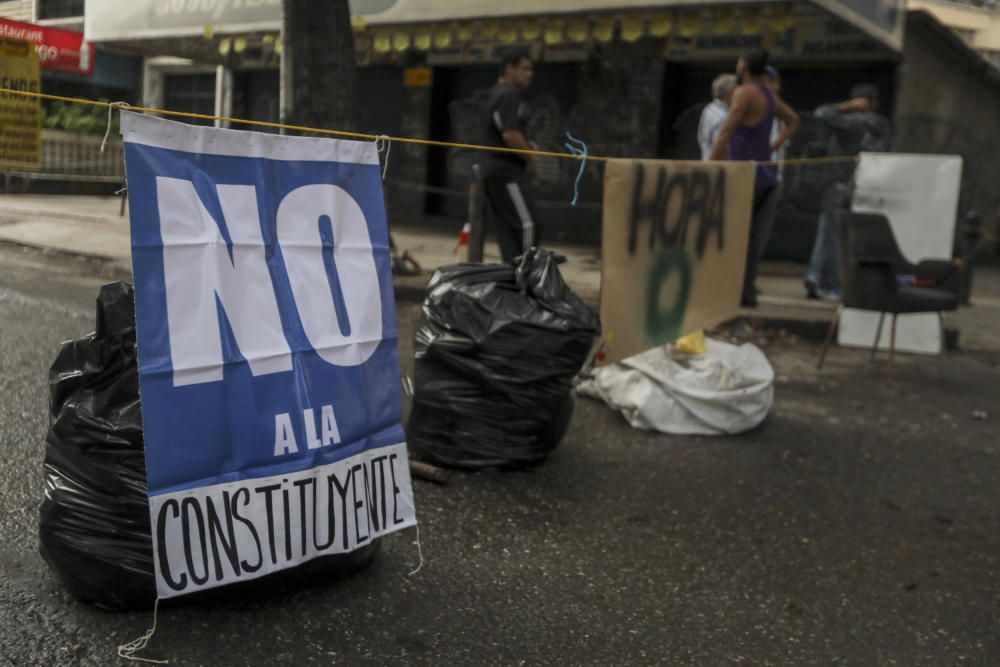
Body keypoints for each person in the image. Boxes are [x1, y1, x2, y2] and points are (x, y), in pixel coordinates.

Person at [710, 49, 800, 307]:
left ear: (744, 66)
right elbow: (793, 120)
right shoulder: (769, 95)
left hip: (742, 174)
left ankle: (728, 292)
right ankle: (745, 292)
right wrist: (772, 148)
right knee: (752, 238)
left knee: (733, 235)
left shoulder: (744, 92)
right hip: (766, 175)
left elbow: (727, 131)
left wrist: (712, 167)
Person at [804, 84, 890, 299]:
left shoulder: (853, 122)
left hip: (839, 183)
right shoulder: (881, 125)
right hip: (864, 186)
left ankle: (826, 281)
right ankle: (816, 276)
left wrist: (847, 107)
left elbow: (821, 113)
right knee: (836, 234)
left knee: (830, 233)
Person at [481, 50, 541, 264]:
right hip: (506, 172)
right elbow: (509, 134)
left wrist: (526, 144)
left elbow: (505, 131)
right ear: (509, 69)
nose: (529, 74)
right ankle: (526, 276)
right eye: (525, 69)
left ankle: (513, 279)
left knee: (507, 230)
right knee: (528, 225)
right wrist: (530, 157)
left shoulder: (497, 93)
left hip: (496, 170)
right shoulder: (508, 95)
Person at [697, 74, 737, 161]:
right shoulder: (723, 117)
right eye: (737, 91)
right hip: (721, 169)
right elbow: (722, 150)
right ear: (730, 93)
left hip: (707, 164)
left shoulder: (708, 109)